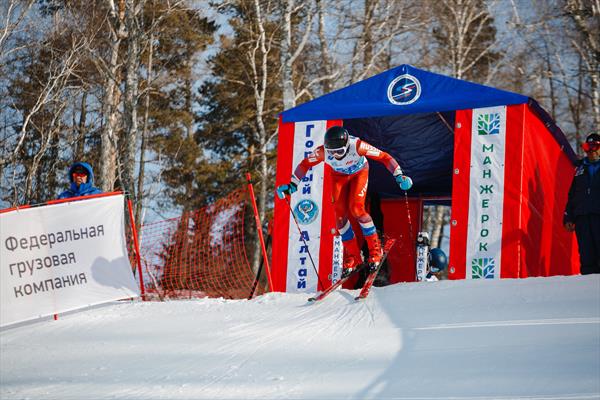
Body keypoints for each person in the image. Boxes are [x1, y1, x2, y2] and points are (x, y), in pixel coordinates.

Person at [277, 125, 412, 278]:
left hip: (359, 173)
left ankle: (375, 251)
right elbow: (305, 164)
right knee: (340, 217)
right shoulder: (322, 152)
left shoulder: (358, 146)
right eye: (332, 152)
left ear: (347, 146)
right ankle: (353, 257)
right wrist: (293, 184)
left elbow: (384, 157)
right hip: (338, 177)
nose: (335, 156)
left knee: (356, 209)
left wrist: (399, 175)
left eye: (339, 152)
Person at [564, 133, 600, 275]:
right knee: (586, 255)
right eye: (587, 147)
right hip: (583, 218)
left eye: (594, 146)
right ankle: (587, 290)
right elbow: (573, 195)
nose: (590, 151)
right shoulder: (580, 169)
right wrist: (568, 217)